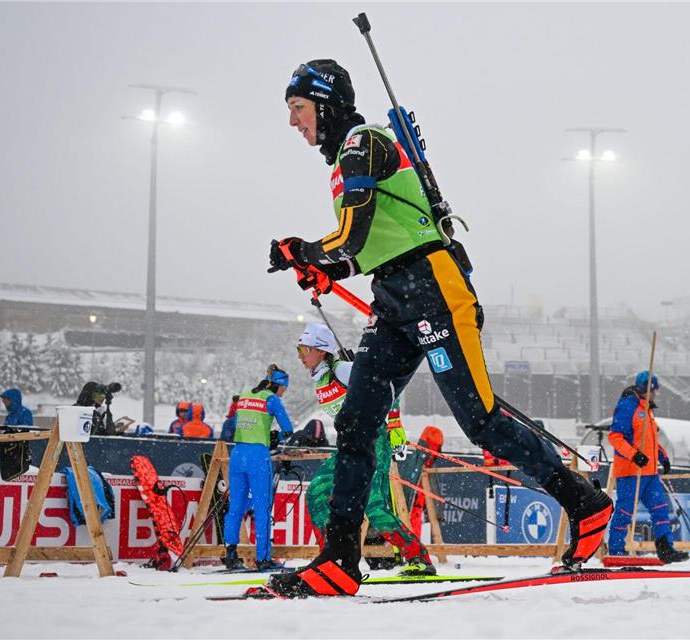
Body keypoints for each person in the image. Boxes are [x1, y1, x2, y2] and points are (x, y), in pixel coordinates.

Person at [268, 60, 611, 593]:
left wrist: (310, 251)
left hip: (435, 288)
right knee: (356, 422)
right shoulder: (340, 162)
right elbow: (368, 248)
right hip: (394, 298)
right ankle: (339, 558)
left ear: (326, 105)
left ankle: (585, 504)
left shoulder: (363, 143)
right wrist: (322, 265)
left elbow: (352, 234)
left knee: (482, 422)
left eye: (297, 108)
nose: (292, 122)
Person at [297, 322, 435, 576]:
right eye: (299, 350)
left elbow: (384, 388)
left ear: (321, 350)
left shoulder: (343, 370)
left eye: (304, 349)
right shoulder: (322, 378)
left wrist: (394, 425)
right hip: (349, 443)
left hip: (374, 439)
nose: (301, 356)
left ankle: (419, 558)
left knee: (373, 506)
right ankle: (330, 558)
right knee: (317, 492)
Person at [607, 371, 688, 563]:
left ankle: (666, 548)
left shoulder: (648, 409)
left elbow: (650, 441)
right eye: (655, 390)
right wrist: (634, 455)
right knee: (625, 512)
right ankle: (616, 551)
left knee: (660, 510)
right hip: (630, 472)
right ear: (647, 389)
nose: (656, 394)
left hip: (650, 473)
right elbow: (615, 437)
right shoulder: (628, 406)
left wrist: (663, 456)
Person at [221, 366, 294, 571]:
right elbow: (288, 429)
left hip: (237, 455)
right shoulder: (272, 400)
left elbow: (234, 424)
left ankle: (230, 555)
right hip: (257, 457)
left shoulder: (244, 396)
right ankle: (263, 559)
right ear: (277, 385)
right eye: (283, 390)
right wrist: (275, 437)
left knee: (235, 508)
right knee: (262, 509)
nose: (282, 393)